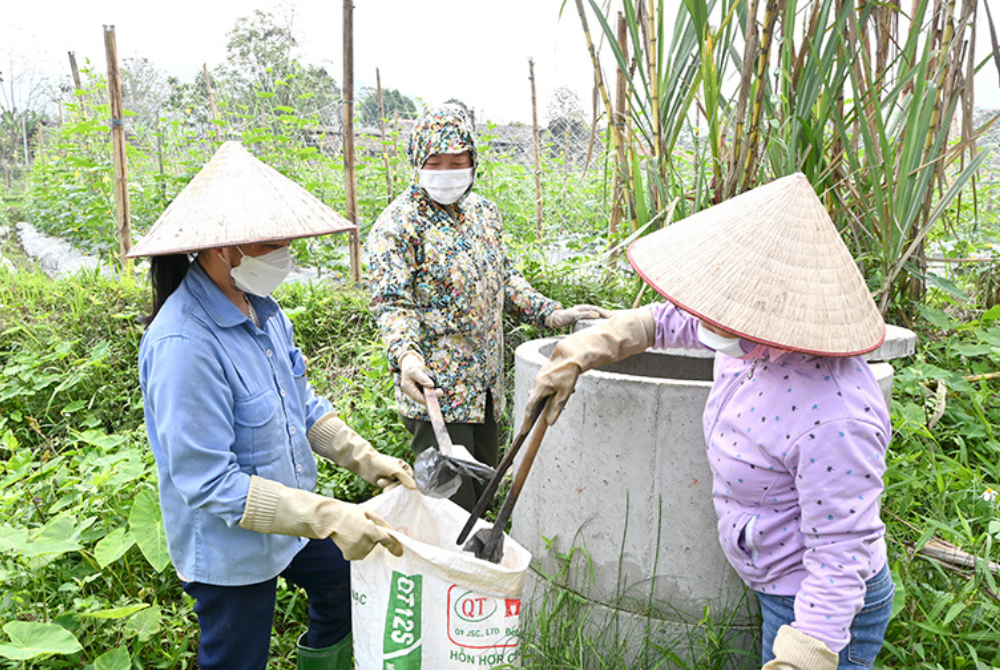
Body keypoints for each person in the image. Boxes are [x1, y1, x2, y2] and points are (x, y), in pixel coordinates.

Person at [524, 173, 894, 670]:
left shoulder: (833, 417)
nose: (706, 317)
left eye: (724, 310)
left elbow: (840, 552)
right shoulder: (751, 339)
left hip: (821, 610)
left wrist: (804, 655)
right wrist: (584, 349)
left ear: (775, 311)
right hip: (776, 578)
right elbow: (672, 321)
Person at [130, 142, 416, 670]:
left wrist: (364, 457)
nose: (284, 254)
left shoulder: (263, 308)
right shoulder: (184, 345)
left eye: (287, 241)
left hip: (290, 517)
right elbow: (208, 481)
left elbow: (301, 403)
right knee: (236, 659)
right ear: (222, 248)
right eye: (271, 243)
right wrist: (330, 516)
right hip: (229, 546)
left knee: (345, 585)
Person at [365, 104, 609, 511]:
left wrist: (549, 312)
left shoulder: (483, 214)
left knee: (482, 499)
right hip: (437, 397)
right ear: (416, 161)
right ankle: (450, 574)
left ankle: (479, 573)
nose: (447, 171)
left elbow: (504, 279)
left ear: (473, 161)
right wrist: (406, 357)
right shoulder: (398, 226)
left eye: (457, 161)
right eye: (434, 162)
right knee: (448, 507)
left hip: (485, 392)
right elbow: (392, 304)